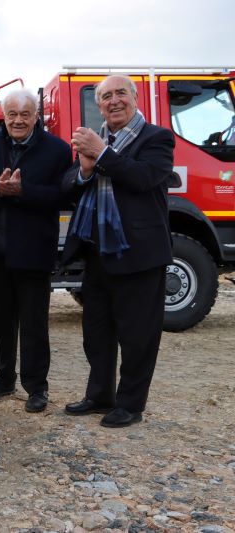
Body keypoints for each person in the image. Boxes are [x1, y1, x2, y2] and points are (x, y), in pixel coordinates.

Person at [62, 75, 175, 428]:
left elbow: (143, 178)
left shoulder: (157, 138)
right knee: (97, 332)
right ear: (99, 105)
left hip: (140, 254)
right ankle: (99, 396)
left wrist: (101, 153)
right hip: (99, 253)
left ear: (135, 98)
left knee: (138, 335)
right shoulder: (96, 143)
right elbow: (69, 186)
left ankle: (130, 404)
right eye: (106, 96)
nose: (114, 101)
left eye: (120, 93)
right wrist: (82, 170)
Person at [0, 89, 72, 413]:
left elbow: (64, 196)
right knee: (2, 318)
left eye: (25, 114)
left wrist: (24, 192)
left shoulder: (57, 150)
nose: (18, 120)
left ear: (36, 116)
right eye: (12, 114)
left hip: (34, 250)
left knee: (34, 322)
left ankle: (37, 387)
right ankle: (5, 378)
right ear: (4, 116)